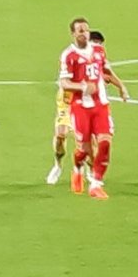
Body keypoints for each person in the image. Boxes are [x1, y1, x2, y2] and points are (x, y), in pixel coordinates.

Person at [58, 17, 130, 200]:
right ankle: (77, 169)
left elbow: (106, 71)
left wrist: (121, 86)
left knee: (105, 142)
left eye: (86, 30)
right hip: (81, 107)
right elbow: (64, 82)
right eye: (80, 31)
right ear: (73, 34)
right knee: (83, 148)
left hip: (101, 105)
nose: (84, 34)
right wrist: (82, 87)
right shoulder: (68, 55)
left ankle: (96, 183)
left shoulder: (98, 51)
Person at [48, 29, 108, 186]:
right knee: (60, 135)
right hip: (67, 103)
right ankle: (57, 166)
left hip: (83, 106)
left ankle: (90, 171)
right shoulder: (72, 57)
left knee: (89, 144)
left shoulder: (92, 61)